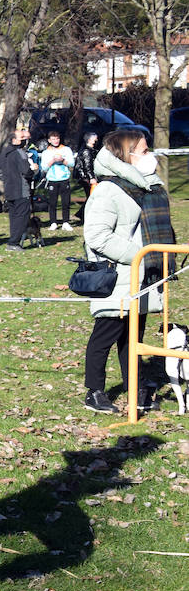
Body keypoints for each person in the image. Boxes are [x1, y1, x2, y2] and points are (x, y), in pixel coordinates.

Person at [80, 130, 175, 414]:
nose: (150, 157)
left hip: (142, 279)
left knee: (133, 338)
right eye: (144, 151)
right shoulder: (109, 189)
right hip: (119, 277)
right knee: (106, 335)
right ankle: (94, 392)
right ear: (125, 155)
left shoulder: (144, 187)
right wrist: (139, 256)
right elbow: (96, 236)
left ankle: (135, 388)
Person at [0, 123, 36, 251]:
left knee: (13, 216)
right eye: (22, 139)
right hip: (21, 189)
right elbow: (26, 171)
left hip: (9, 189)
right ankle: (14, 242)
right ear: (14, 140)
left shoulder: (4, 153)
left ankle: (13, 240)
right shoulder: (20, 153)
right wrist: (33, 170)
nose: (25, 141)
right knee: (22, 216)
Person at [40, 131, 74, 231]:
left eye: (57, 138)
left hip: (64, 178)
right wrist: (53, 161)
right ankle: (53, 222)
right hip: (52, 179)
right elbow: (44, 167)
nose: (56, 141)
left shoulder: (66, 150)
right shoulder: (46, 152)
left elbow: (72, 163)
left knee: (65, 202)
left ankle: (66, 222)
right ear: (49, 140)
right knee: (52, 202)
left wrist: (62, 160)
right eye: (53, 139)